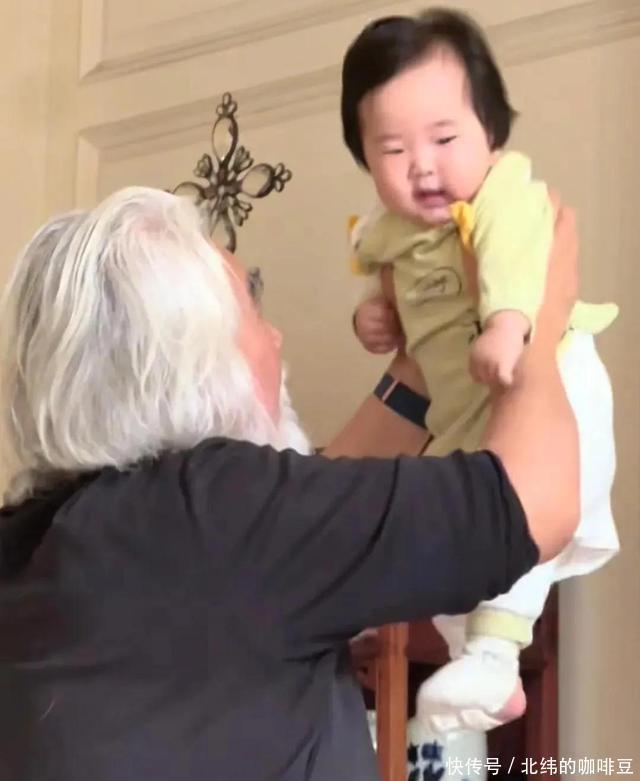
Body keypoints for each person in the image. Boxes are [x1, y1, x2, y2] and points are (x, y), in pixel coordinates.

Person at [0, 185, 578, 781]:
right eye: (252, 309)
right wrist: (536, 317)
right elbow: (533, 505)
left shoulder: (45, 540)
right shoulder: (220, 513)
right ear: (194, 359)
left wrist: (423, 359)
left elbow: (310, 534)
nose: (275, 337)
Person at [341, 8, 619, 732]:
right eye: (392, 148)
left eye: (443, 139)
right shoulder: (388, 233)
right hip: (462, 409)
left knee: (515, 521)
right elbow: (394, 294)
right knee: (453, 541)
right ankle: (483, 672)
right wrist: (375, 317)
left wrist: (510, 323)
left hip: (553, 372)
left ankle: (494, 659)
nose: (421, 165)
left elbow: (519, 257)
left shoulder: (504, 193)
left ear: (491, 133)